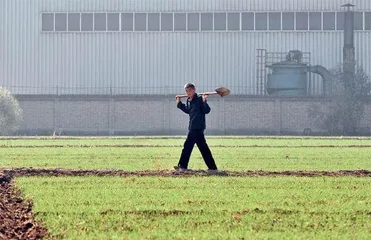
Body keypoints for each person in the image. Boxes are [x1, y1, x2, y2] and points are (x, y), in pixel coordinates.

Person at [174, 83, 218, 171]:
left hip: (197, 127)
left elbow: (206, 110)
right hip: (193, 127)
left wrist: (204, 101)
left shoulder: (199, 99)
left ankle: (182, 166)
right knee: (203, 148)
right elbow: (188, 110)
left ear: (194, 90)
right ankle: (212, 167)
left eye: (189, 90)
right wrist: (179, 103)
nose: (188, 93)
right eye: (186, 91)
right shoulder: (189, 100)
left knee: (187, 146)